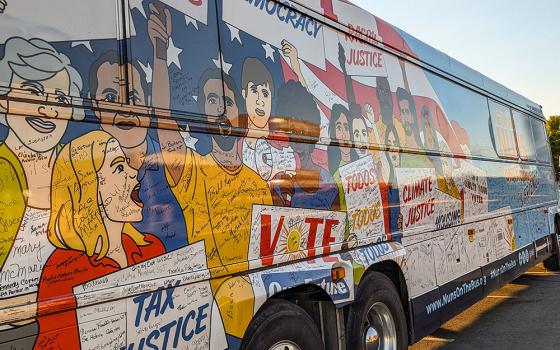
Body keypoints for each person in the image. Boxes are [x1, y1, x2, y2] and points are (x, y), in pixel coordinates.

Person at [156, 68, 273, 343]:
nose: (221, 110)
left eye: (228, 102)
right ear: (203, 116)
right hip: (209, 317)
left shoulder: (258, 185)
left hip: (256, 306)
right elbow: (162, 121)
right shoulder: (193, 171)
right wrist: (160, 53)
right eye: (212, 101)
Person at [34, 131, 165, 349]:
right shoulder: (62, 269)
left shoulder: (151, 247)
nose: (134, 173)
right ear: (89, 189)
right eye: (119, 167)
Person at [0, 37, 83, 346]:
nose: (47, 108)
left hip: (68, 316)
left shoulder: (77, 166)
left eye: (60, 98)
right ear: (4, 99)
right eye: (33, 91)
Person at [88, 3, 187, 251]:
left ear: (147, 104)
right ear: (93, 104)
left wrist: (160, 53)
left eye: (133, 96)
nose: (125, 108)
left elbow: (163, 115)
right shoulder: (91, 163)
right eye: (111, 97)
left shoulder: (163, 155)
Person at [271, 81, 338, 210]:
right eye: (291, 133)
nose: (297, 141)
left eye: (302, 132)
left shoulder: (327, 181)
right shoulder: (279, 183)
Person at [240, 57, 276, 173]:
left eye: (265, 94)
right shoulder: (237, 149)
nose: (260, 101)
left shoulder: (282, 149)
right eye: (254, 91)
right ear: (244, 94)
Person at [397, 87, 432, 168]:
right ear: (400, 117)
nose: (405, 118)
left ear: (412, 117)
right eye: (402, 112)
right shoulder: (401, 156)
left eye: (407, 112)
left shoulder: (424, 156)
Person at [328, 104, 352, 211]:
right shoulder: (336, 176)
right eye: (339, 128)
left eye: (346, 127)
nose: (343, 134)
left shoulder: (363, 166)